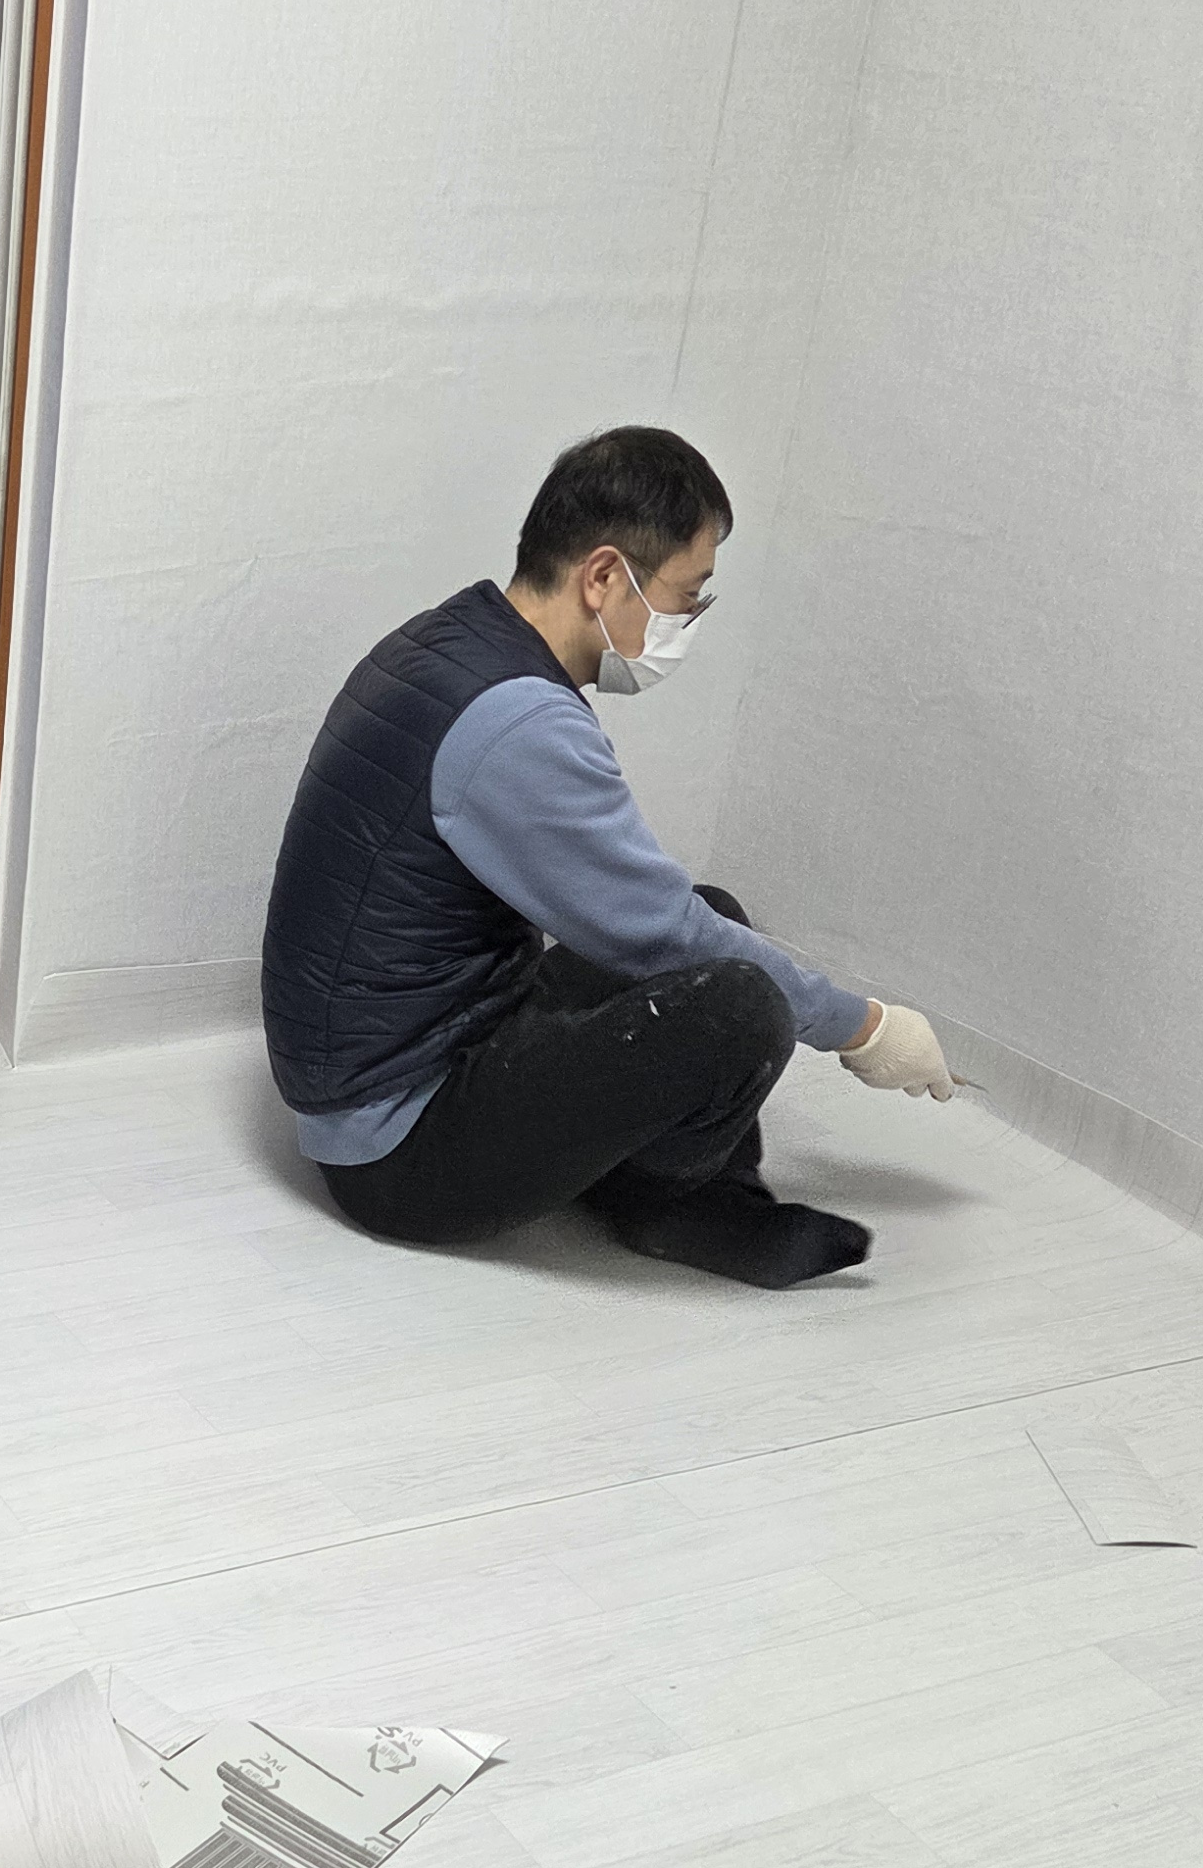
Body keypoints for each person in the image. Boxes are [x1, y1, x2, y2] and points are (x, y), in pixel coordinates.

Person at [262, 426, 955, 1286]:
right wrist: (864, 1026)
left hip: (412, 1051)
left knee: (718, 918)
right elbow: (657, 931)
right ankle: (664, 1203)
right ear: (603, 577)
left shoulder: (452, 642)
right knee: (737, 1003)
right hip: (397, 1149)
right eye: (685, 595)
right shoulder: (518, 724)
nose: (688, 620)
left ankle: (697, 1189)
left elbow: (658, 918)